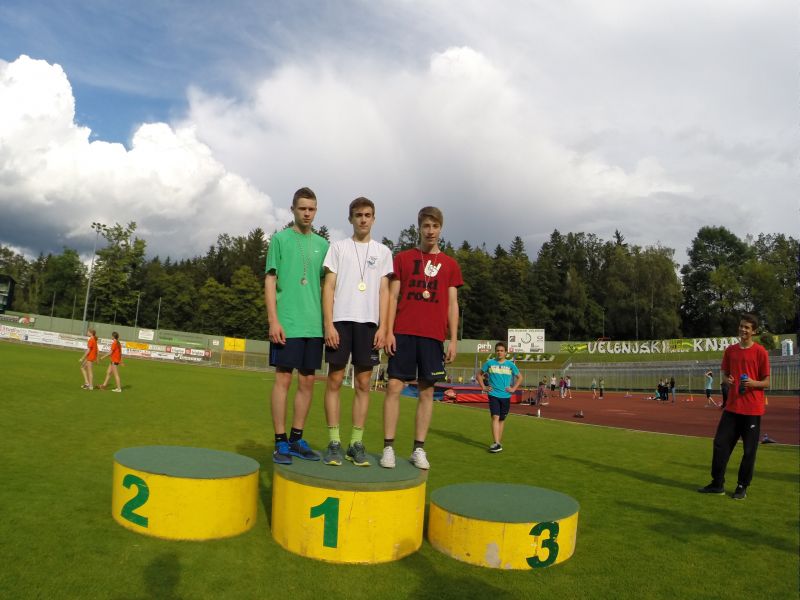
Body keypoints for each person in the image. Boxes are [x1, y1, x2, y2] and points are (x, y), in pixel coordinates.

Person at [380, 206, 463, 470]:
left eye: (435, 226)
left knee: (427, 392)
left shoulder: (450, 264)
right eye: (426, 226)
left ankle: (418, 449)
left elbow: (453, 304)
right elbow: (393, 296)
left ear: (441, 229)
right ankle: (388, 448)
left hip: (433, 336)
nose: (430, 231)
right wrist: (388, 330)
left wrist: (453, 339)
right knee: (394, 387)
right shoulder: (403, 259)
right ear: (419, 228)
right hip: (403, 332)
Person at [321, 197, 393, 467]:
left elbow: (384, 292)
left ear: (374, 218)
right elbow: (328, 287)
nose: (363, 219)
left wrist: (384, 327)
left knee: (363, 385)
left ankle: (355, 444)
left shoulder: (383, 252)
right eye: (358, 215)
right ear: (350, 218)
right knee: (335, 381)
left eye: (367, 215)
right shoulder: (338, 248)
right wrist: (328, 324)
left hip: (369, 325)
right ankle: (334, 442)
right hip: (340, 322)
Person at [265, 187, 329, 464]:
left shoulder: (323, 245)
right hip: (287, 323)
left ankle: (296, 439)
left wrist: (328, 322)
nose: (307, 213)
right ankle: (280, 442)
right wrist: (273, 320)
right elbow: (270, 280)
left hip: (313, 325)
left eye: (311, 209)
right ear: (292, 209)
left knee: (308, 382)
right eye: (302, 208)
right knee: (283, 379)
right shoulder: (280, 240)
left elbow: (327, 286)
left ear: (316, 211)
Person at [698, 313, 771, 500]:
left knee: (749, 451)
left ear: (754, 331)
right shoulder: (730, 351)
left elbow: (767, 382)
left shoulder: (760, 352)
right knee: (720, 444)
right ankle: (717, 484)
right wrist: (726, 380)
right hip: (732, 408)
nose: (743, 329)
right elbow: (724, 374)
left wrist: (753, 383)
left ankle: (741, 486)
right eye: (741, 326)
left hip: (752, 410)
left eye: (747, 327)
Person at [478, 342, 522, 452]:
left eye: (502, 351)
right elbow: (479, 375)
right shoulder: (489, 363)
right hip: (493, 395)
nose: (499, 352)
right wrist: (483, 387)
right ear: (495, 352)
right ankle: (496, 443)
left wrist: (513, 389)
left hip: (506, 396)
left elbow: (520, 377)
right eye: (497, 350)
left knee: (502, 419)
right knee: (495, 417)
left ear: (506, 352)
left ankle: (498, 443)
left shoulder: (510, 365)